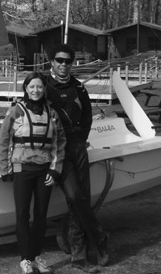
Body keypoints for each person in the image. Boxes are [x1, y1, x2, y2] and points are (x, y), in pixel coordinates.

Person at [44, 44, 109, 273]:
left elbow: (88, 117)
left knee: (79, 199)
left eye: (67, 61)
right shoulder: (43, 87)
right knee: (75, 195)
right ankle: (99, 238)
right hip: (56, 150)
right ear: (51, 61)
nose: (63, 65)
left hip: (77, 146)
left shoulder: (79, 88)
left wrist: (81, 140)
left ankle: (79, 251)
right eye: (59, 60)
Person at [0, 72, 67, 274]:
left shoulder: (52, 114)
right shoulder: (15, 111)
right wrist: (4, 168)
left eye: (39, 87)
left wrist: (55, 171)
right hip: (21, 169)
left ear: (44, 89)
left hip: (44, 171)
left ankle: (36, 257)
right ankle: (25, 259)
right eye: (31, 87)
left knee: (41, 215)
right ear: (26, 89)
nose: (35, 90)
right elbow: (4, 140)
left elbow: (59, 144)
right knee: (22, 215)